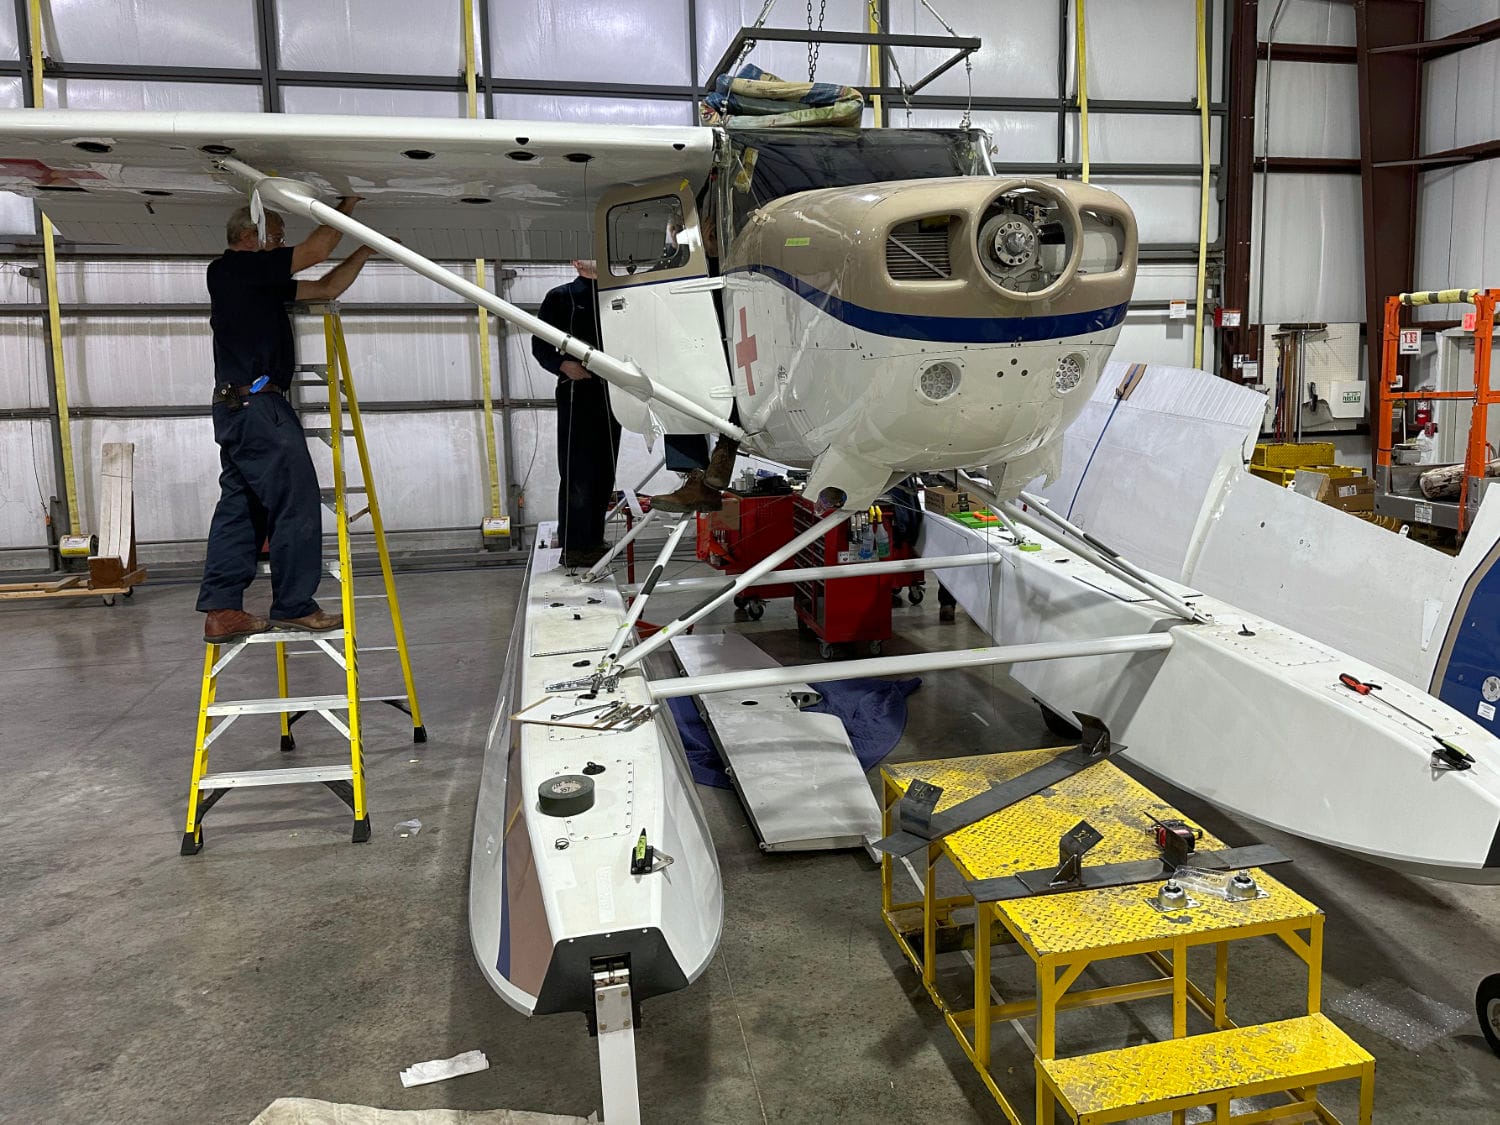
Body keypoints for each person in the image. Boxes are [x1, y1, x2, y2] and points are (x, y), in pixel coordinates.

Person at [197, 198, 378, 643]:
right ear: (250, 236)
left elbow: (327, 287)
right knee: (295, 503)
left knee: (240, 508)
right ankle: (294, 604)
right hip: (260, 407)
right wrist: (343, 207)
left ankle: (222, 610)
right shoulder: (236, 269)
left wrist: (366, 251)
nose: (280, 246)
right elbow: (316, 251)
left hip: (237, 408)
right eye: (275, 237)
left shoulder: (252, 282)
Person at [532, 260, 620, 568]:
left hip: (612, 393)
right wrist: (562, 365)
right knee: (577, 470)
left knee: (604, 469)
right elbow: (541, 344)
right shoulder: (561, 296)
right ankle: (573, 545)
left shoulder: (618, 296)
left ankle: (593, 540)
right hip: (577, 391)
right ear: (576, 262)